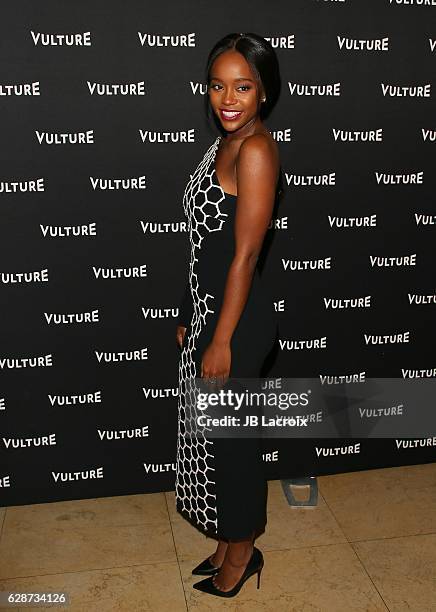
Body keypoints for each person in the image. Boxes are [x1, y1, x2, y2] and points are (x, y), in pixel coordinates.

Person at [175, 32, 282, 598]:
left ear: (263, 91)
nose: (227, 98)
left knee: (234, 447)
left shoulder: (258, 149)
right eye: (218, 85)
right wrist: (195, 315)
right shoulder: (226, 141)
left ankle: (242, 555)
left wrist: (221, 339)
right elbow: (207, 246)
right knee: (215, 438)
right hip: (213, 312)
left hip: (237, 323)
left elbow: (244, 255)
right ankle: (225, 541)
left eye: (242, 86)